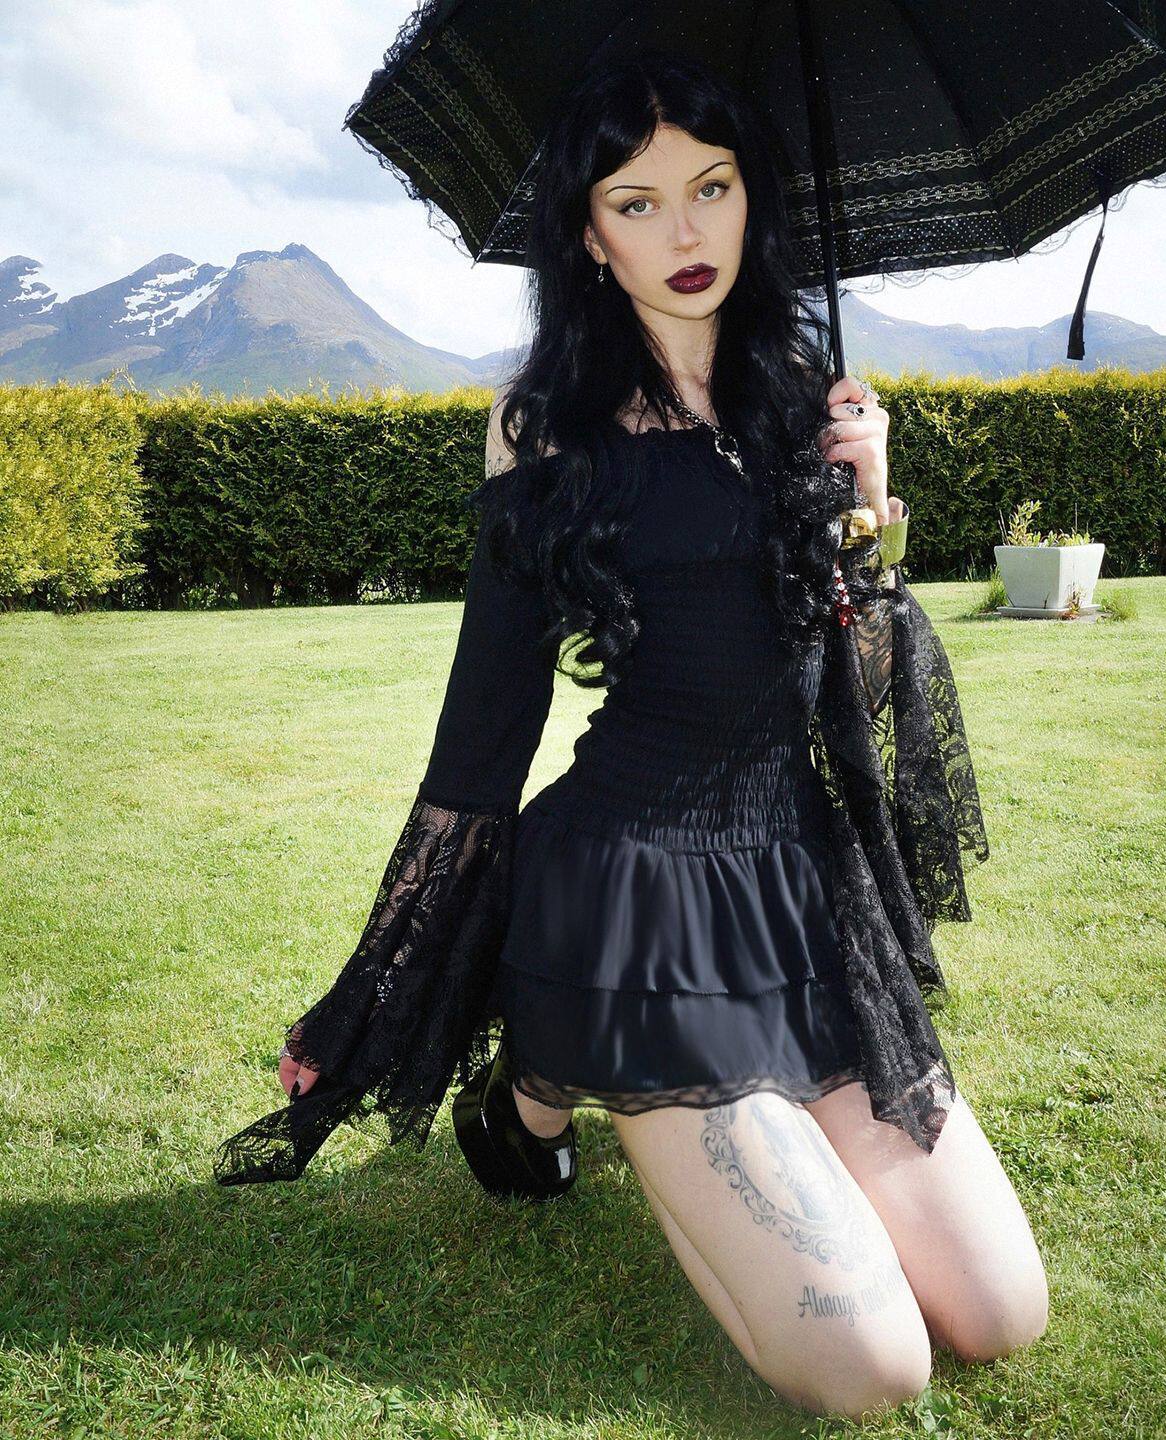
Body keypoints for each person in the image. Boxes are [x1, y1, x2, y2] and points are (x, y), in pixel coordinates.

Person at [214, 47, 1046, 1420]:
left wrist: (868, 512)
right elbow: (487, 728)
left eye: (711, 187)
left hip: (798, 892)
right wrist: (382, 986)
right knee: (873, 1368)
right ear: (589, 236)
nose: (685, 231)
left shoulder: (804, 397)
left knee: (1003, 1314)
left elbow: (863, 690)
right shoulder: (546, 428)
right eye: (637, 201)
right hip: (638, 903)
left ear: (752, 196)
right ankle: (535, 1097)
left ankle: (568, 1094)